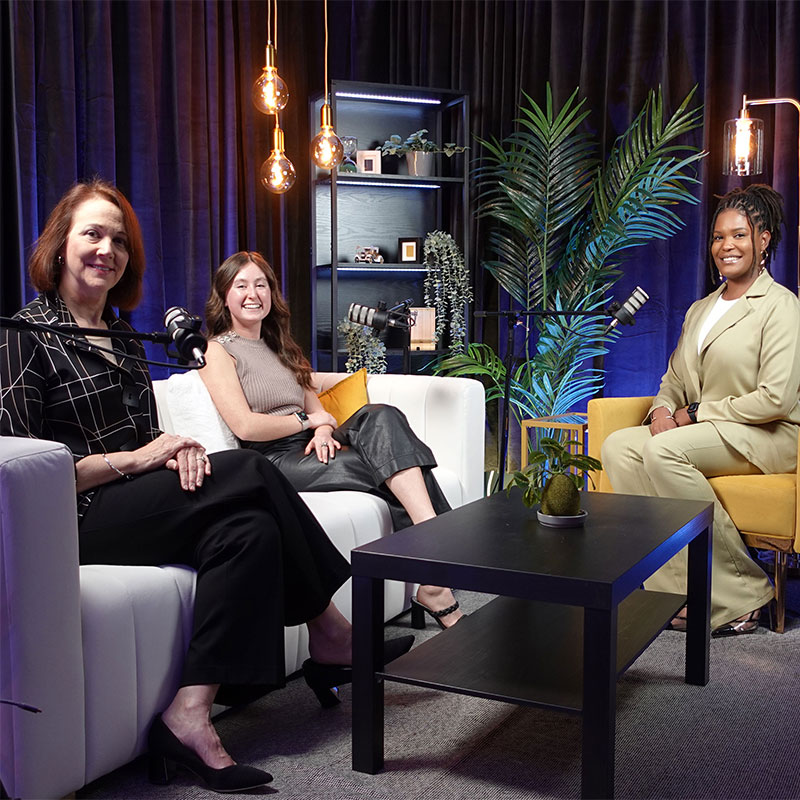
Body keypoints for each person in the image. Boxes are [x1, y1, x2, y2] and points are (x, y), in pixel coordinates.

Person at [0, 180, 411, 793]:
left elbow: (149, 440)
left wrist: (177, 451)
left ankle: (189, 715)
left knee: (246, 530)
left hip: (131, 501)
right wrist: (137, 460)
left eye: (118, 239)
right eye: (92, 233)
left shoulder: (123, 337)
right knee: (249, 467)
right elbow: (21, 467)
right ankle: (332, 630)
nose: (106, 248)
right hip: (73, 515)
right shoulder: (24, 334)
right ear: (60, 245)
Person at [200, 250, 464, 629]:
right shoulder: (216, 351)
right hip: (273, 461)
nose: (252, 293)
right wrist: (309, 422)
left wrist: (322, 430)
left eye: (261, 284)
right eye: (241, 285)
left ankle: (433, 574)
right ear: (224, 295)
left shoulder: (282, 346)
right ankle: (437, 564)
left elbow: (315, 407)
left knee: (383, 416)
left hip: (310, 445)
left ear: (272, 293)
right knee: (391, 465)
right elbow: (246, 427)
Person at [601, 184, 800, 636]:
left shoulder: (781, 307)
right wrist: (662, 411)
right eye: (717, 237)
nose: (725, 246)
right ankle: (680, 591)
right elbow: (673, 377)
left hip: (767, 435)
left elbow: (776, 398)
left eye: (739, 236)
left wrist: (692, 413)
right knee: (619, 448)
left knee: (663, 453)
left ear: (763, 239)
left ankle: (745, 592)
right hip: (707, 430)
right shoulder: (700, 309)